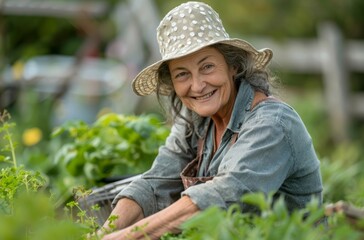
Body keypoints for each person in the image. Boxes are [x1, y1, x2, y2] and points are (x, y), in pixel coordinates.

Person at [100, 1, 323, 239]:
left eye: (207, 67)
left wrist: (124, 237)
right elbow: (155, 183)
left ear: (233, 66)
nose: (197, 85)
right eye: (182, 74)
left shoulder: (271, 124)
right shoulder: (195, 121)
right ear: (173, 84)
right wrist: (102, 233)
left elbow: (221, 197)